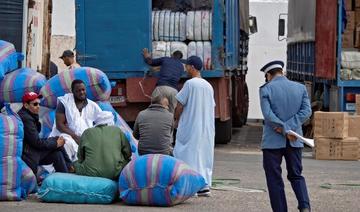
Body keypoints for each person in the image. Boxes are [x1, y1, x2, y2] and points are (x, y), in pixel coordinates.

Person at [259, 60, 312, 212]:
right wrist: (290, 129)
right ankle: (304, 206)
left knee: (274, 179)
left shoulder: (266, 89)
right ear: (282, 72)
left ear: (269, 75)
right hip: (295, 140)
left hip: (272, 142)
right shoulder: (300, 88)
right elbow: (306, 112)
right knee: (296, 175)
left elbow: (268, 115)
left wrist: (284, 129)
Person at [173, 56, 215, 197]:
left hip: (191, 125)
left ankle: (189, 186)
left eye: (187, 66)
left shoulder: (190, 84)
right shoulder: (208, 86)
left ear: (192, 67)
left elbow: (180, 104)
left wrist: (176, 119)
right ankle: (204, 186)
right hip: (206, 127)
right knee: (203, 155)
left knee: (186, 153)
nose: (185, 68)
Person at [18, 92, 71, 178]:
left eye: (38, 103)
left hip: (31, 152)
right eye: (35, 104)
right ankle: (70, 167)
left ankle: (65, 178)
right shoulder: (26, 119)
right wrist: (56, 144)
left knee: (57, 154)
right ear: (26, 105)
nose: (38, 106)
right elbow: (37, 143)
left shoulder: (29, 115)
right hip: (29, 155)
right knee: (57, 141)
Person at [49, 79, 103, 161]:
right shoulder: (65, 102)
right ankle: (65, 168)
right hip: (67, 137)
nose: (81, 92)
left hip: (86, 140)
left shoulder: (92, 105)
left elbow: (102, 121)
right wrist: (75, 137)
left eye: (83, 90)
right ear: (72, 91)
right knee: (66, 144)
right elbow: (60, 125)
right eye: (78, 91)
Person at [74, 111, 132, 180]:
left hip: (89, 173)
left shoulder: (87, 132)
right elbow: (128, 153)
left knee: (75, 163)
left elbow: (80, 157)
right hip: (115, 172)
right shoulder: (117, 130)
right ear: (111, 121)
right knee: (129, 161)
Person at [142, 48, 185, 113]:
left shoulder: (166, 59)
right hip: (174, 91)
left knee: (154, 111)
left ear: (172, 55)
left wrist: (146, 55)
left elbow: (151, 62)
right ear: (180, 59)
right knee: (172, 114)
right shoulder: (181, 66)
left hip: (162, 88)